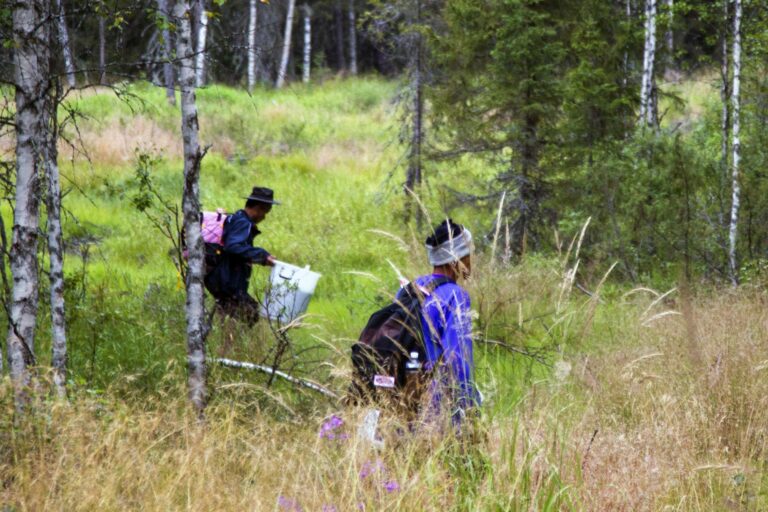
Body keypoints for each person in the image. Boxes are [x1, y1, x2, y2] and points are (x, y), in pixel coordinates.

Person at [405, 219, 481, 425]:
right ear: (455, 258)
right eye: (468, 254)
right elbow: (458, 360)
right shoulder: (456, 297)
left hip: (403, 402)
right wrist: (470, 411)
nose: (471, 260)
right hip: (437, 408)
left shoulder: (410, 288)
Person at [205, 186, 278, 324]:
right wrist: (262, 256)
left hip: (220, 278)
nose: (264, 216)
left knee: (231, 316)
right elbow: (233, 246)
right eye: (266, 211)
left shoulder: (236, 218)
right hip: (226, 281)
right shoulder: (243, 223)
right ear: (258, 208)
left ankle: (225, 341)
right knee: (250, 314)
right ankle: (231, 343)